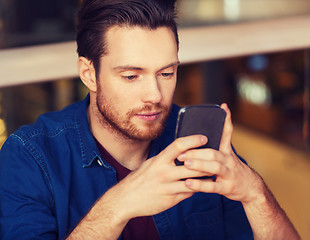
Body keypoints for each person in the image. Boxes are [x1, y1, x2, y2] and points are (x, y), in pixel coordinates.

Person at [0, 0, 300, 239]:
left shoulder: (199, 144)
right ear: (89, 74)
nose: (155, 95)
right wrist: (117, 207)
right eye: (131, 76)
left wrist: (255, 195)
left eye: (166, 73)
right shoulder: (29, 156)